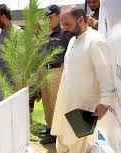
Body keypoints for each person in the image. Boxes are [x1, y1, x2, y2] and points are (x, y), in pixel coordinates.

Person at [40, 6, 114, 153]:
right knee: (63, 128)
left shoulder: (96, 41)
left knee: (79, 135)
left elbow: (105, 75)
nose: (64, 28)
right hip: (68, 95)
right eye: (63, 24)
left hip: (85, 99)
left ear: (81, 20)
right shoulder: (73, 39)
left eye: (67, 24)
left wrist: (104, 103)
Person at [39, 4, 71, 145]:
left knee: (55, 101)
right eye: (46, 18)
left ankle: (57, 132)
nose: (48, 20)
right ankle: (49, 126)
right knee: (46, 101)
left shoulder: (65, 32)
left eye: (50, 17)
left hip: (57, 70)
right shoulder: (45, 33)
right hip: (43, 70)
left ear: (59, 15)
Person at [0, 4, 21, 107]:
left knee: (7, 109)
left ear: (4, 17)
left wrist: (17, 79)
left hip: (10, 82)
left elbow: (21, 58)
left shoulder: (18, 32)